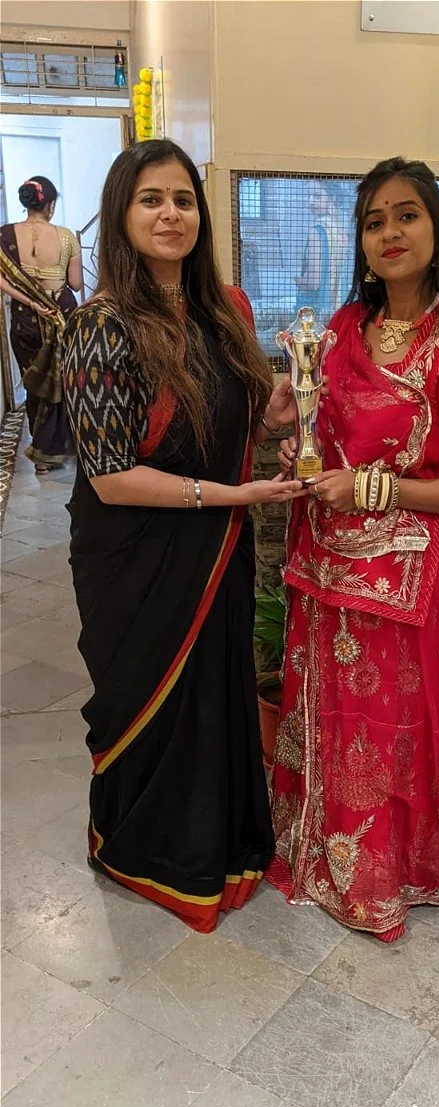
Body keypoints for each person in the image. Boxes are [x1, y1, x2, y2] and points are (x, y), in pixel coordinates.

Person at [62, 140, 303, 932]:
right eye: (151, 199)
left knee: (211, 699)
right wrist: (234, 494)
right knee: (151, 704)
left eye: (183, 199)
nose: (171, 214)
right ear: (121, 214)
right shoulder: (100, 325)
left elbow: (222, 427)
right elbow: (111, 476)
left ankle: (216, 845)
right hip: (135, 559)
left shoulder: (221, 313)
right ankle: (147, 849)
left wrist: (270, 420)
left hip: (214, 550)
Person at [270, 155, 439, 941]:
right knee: (325, 722)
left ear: (436, 228)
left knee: (379, 738)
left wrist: (373, 489)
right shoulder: (340, 328)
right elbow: (321, 435)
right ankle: (313, 853)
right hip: (324, 563)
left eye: (407, 215)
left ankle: (377, 879)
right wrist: (297, 448)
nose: (390, 233)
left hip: (400, 583)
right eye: (374, 221)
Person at [0, 175, 82, 473]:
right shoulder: (66, 237)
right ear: (50, 205)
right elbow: (75, 283)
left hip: (25, 319)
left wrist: (31, 301)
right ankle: (68, 445)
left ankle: (42, 458)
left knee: (35, 384)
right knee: (65, 381)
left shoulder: (4, 235)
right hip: (63, 317)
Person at [295, 182, 348, 317]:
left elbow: (313, 282)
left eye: (317, 196)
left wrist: (297, 280)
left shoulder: (316, 231)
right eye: (309, 196)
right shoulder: (341, 232)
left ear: (332, 198)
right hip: (338, 310)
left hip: (314, 313)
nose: (311, 201)